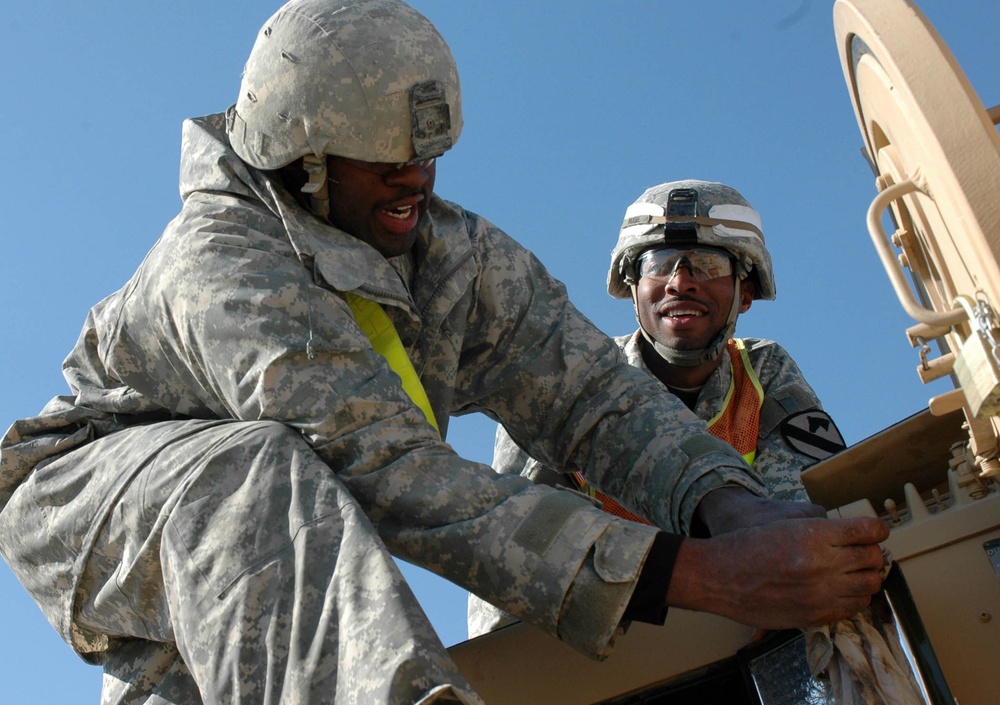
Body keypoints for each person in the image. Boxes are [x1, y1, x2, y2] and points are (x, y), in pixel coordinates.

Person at [0, 2, 888, 703]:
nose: (417, 178)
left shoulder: (448, 254)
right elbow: (395, 475)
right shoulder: (223, 266)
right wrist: (703, 574)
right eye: (386, 160)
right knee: (251, 476)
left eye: (427, 153)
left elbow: (589, 392)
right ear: (300, 158)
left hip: (253, 564)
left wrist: (728, 508)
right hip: (93, 498)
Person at [469, 178, 849, 636]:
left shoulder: (762, 373)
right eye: (659, 263)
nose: (680, 282)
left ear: (744, 293)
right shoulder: (563, 383)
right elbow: (520, 559)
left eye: (707, 264)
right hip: (614, 653)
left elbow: (806, 518)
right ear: (633, 287)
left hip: (752, 634)